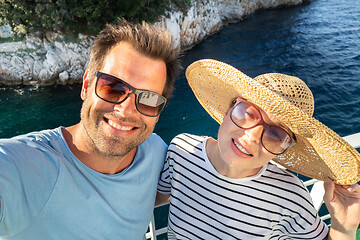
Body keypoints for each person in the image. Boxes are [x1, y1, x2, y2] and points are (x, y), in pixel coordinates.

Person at [0, 19, 180, 239]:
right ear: (86, 86)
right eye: (113, 87)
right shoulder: (20, 167)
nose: (125, 110)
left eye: (149, 99)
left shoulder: (155, 153)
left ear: (158, 111)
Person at [156, 59, 360, 239]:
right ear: (229, 109)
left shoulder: (289, 196)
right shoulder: (181, 151)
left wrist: (344, 228)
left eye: (276, 135)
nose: (253, 136)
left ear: (285, 148)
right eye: (248, 113)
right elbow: (150, 197)